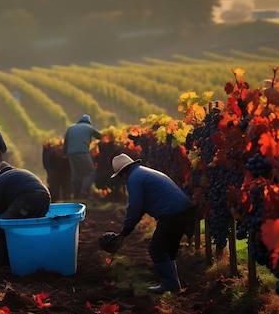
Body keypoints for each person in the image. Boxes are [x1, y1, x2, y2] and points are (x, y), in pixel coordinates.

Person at [110, 153, 195, 294]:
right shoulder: (143, 172)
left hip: (171, 213)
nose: (121, 179)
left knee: (156, 249)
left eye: (120, 176)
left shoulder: (134, 179)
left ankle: (171, 285)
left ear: (123, 173)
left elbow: (135, 206)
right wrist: (129, 226)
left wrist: (126, 228)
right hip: (184, 210)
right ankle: (173, 284)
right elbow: (141, 206)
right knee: (168, 250)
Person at [0, 163, 51, 269]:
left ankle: (0, 263)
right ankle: (33, 258)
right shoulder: (12, 175)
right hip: (45, 198)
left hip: (28, 198)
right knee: (30, 230)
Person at [63, 114, 102, 198]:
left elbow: (65, 142)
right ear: (89, 122)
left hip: (71, 154)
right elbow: (100, 136)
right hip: (83, 152)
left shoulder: (70, 128)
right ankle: (84, 191)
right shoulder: (89, 127)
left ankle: (76, 195)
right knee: (91, 172)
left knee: (75, 173)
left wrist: (65, 153)